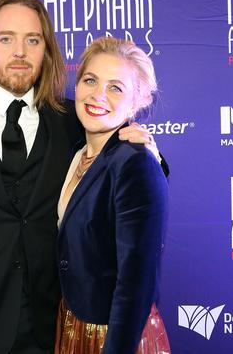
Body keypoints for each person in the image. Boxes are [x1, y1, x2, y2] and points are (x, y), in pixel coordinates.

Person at [0, 0, 164, 354]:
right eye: (6, 38)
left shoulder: (74, 118)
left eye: (33, 40)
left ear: (47, 49)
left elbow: (121, 169)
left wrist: (153, 154)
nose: (20, 52)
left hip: (55, 322)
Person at [54, 37, 171, 354]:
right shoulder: (76, 152)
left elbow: (136, 285)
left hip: (116, 336)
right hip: (73, 324)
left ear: (138, 102)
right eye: (90, 80)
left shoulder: (135, 163)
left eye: (116, 88)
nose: (97, 95)